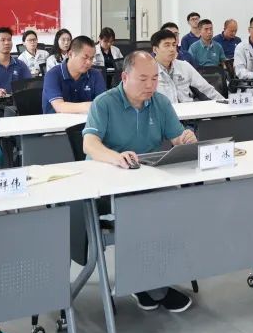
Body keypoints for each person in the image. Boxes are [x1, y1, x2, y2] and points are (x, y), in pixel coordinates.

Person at [83, 51, 197, 313]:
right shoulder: (104, 103)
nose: (150, 85)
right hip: (110, 185)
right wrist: (115, 158)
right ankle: (148, 284)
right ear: (124, 77)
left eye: (155, 79)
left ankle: (155, 281)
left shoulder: (160, 102)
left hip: (148, 181)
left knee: (179, 206)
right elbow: (89, 144)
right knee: (148, 214)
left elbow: (177, 137)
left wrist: (185, 139)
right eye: (143, 79)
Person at [150, 29, 220, 103]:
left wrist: (224, 102)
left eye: (174, 45)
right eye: (167, 45)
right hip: (165, 109)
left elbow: (206, 88)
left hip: (187, 108)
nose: (172, 49)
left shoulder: (184, 66)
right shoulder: (148, 71)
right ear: (155, 49)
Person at [42, 35, 104, 114]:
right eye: (85, 57)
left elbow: (102, 103)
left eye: (91, 58)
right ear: (70, 54)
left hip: (86, 121)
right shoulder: (52, 75)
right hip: (56, 121)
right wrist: (92, 106)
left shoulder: (96, 75)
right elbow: (59, 107)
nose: (89, 62)